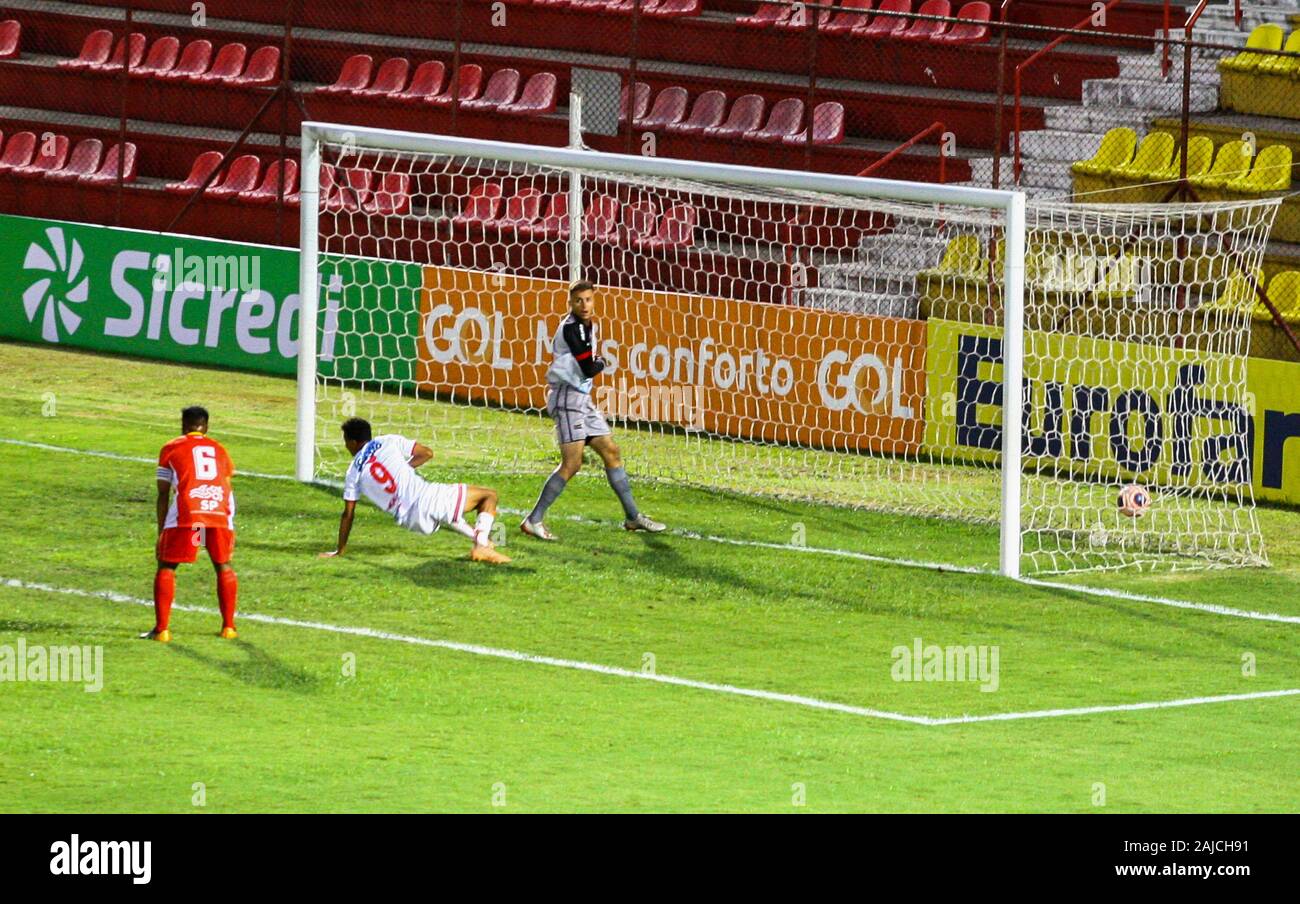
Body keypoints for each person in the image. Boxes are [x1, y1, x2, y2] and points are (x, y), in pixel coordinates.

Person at [521, 281, 666, 541]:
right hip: (568, 400)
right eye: (579, 300)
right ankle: (534, 519)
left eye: (588, 299)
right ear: (571, 303)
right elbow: (589, 367)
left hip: (582, 399)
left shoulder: (589, 325)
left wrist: (595, 363)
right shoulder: (572, 329)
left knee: (611, 451)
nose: (584, 305)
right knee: (572, 463)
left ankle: (633, 517)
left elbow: (588, 366)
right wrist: (600, 362)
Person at [321, 418, 511, 564]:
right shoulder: (388, 440)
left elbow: (348, 514)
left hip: (409, 521)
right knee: (489, 496)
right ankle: (481, 545)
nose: (346, 446)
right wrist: (405, 468)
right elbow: (427, 453)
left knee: (446, 510)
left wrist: (340, 550)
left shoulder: (353, 472)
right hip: (426, 498)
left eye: (346, 442)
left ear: (353, 442)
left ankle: (482, 542)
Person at [144, 406, 238, 642]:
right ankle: (229, 627)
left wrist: (161, 532)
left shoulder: (171, 447)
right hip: (217, 513)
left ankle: (162, 630)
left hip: (189, 516)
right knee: (223, 565)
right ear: (205, 426)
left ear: (183, 425)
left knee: (167, 565)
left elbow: (163, 492)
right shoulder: (220, 449)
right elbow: (227, 485)